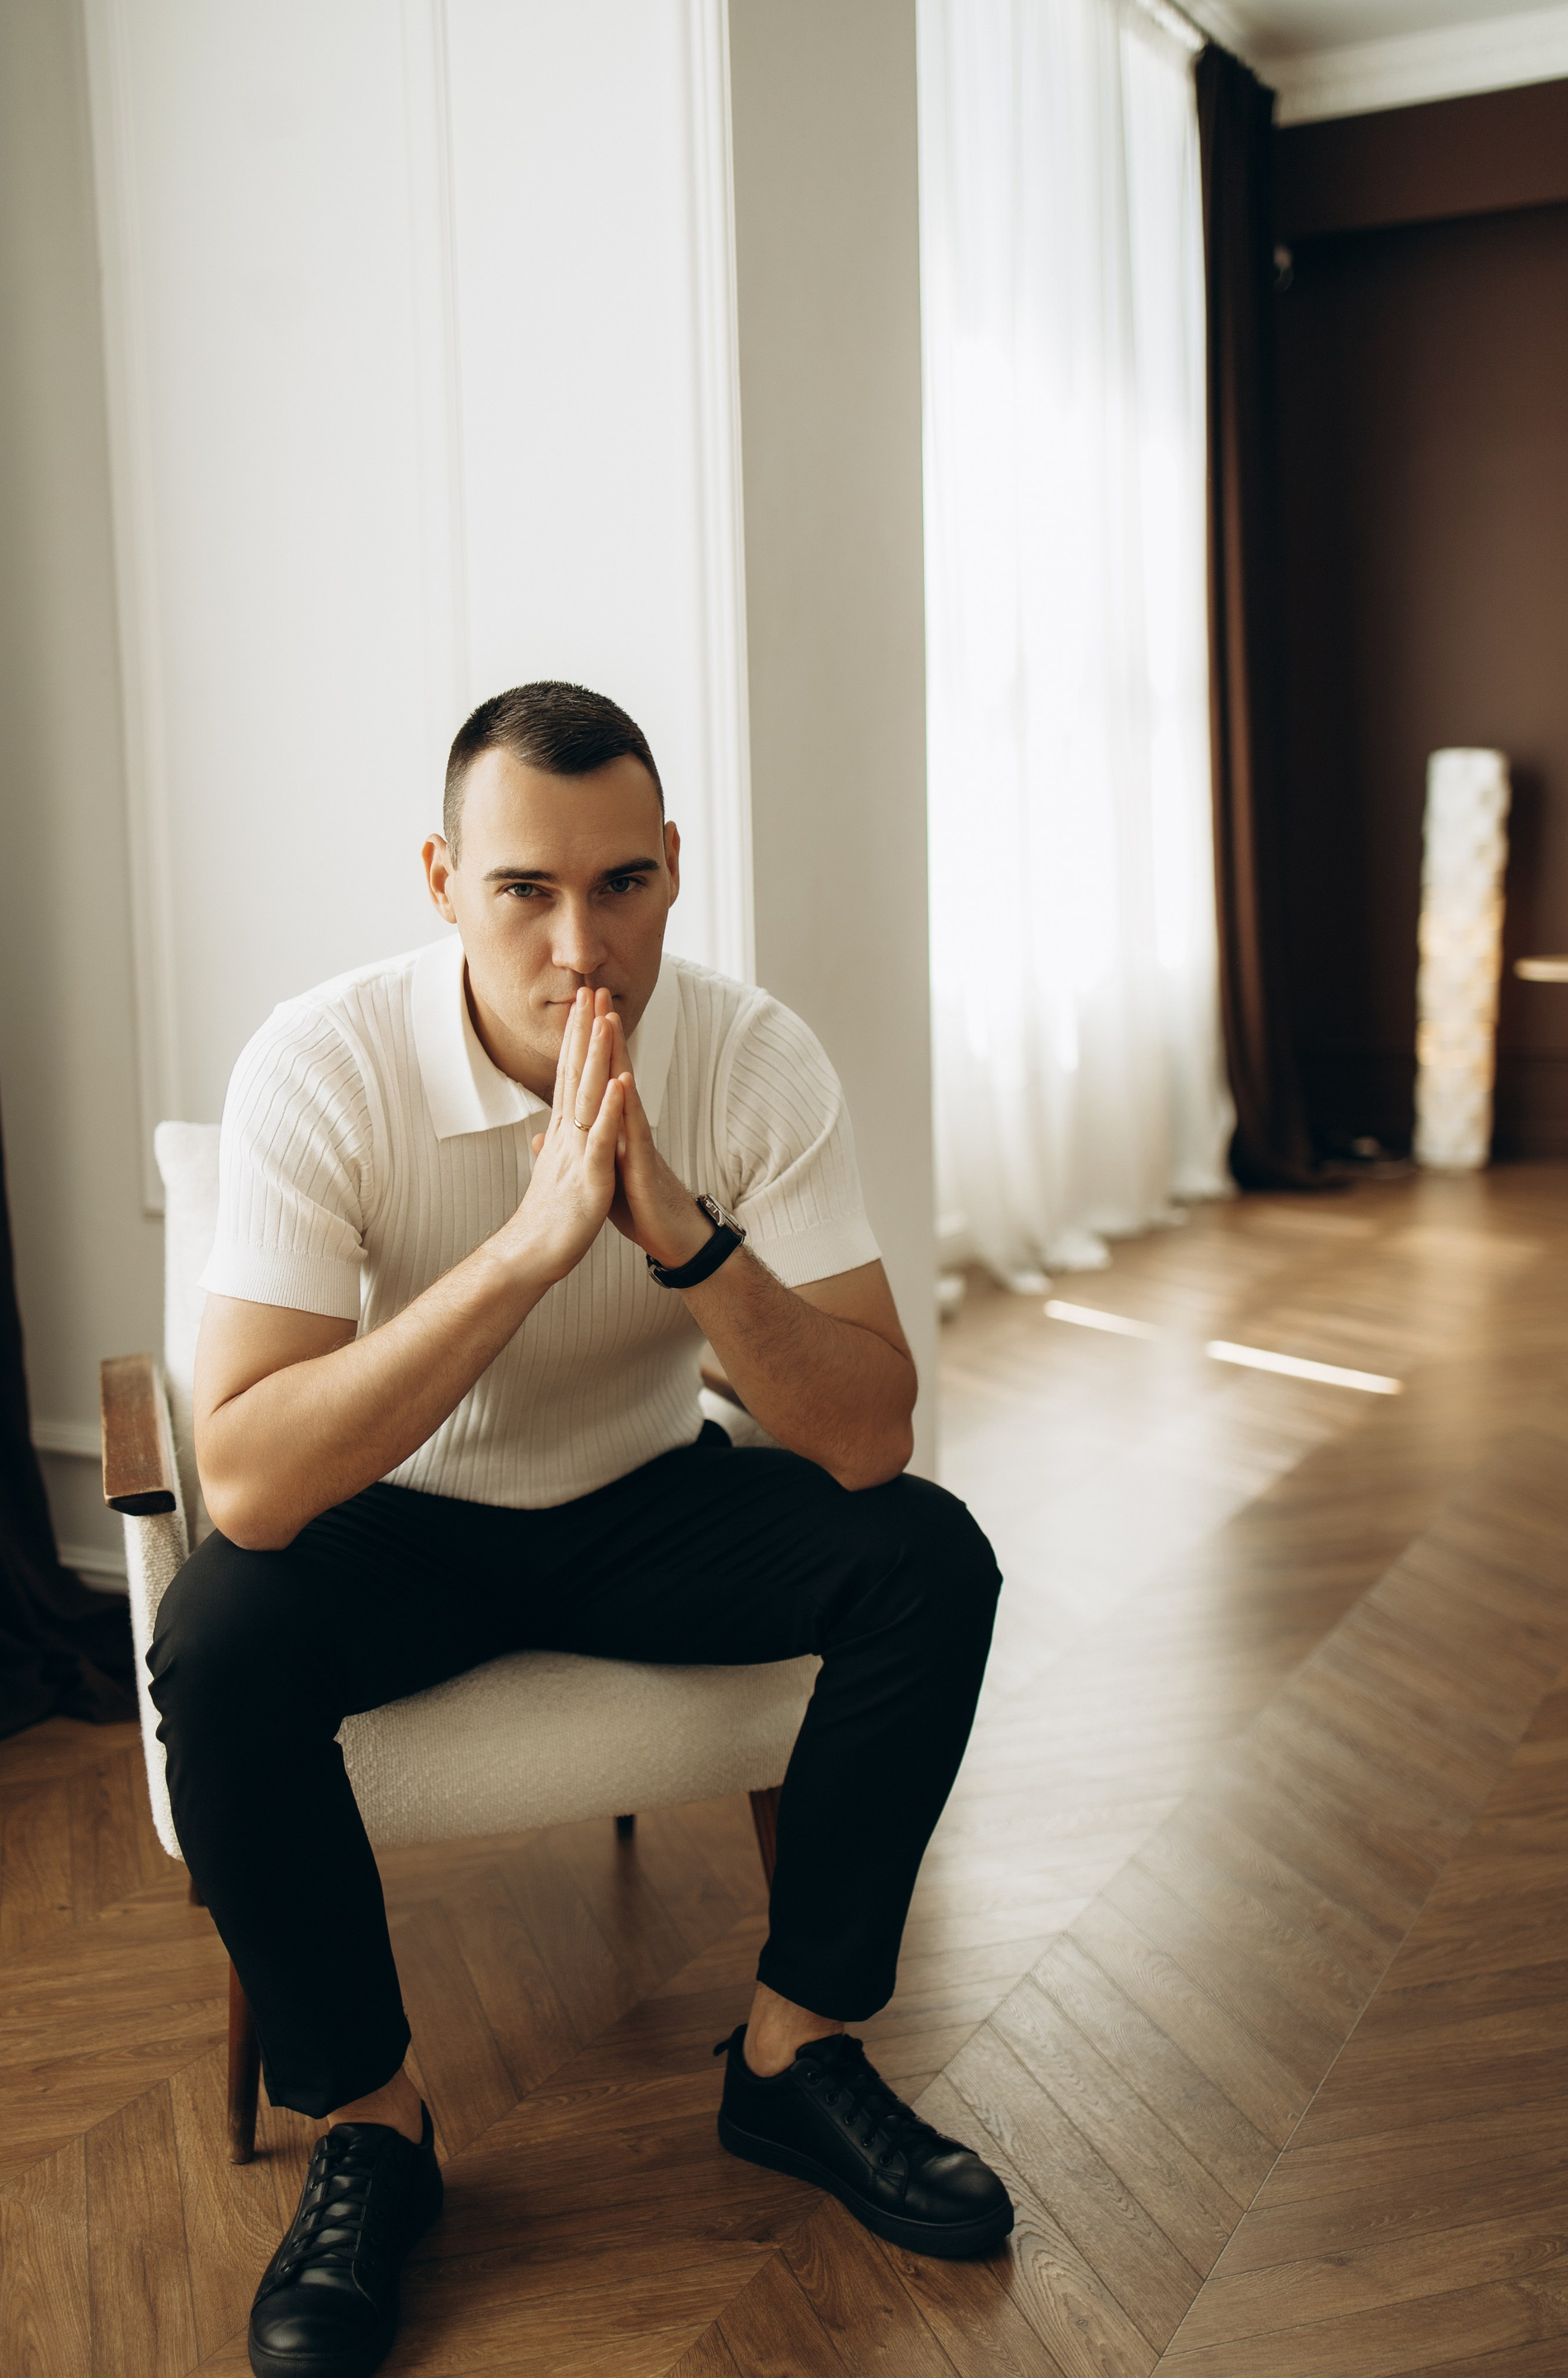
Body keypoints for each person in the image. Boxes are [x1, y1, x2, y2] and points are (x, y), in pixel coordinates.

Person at [149, 681, 1009, 2378]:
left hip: (644, 1494)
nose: (580, 944)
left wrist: (681, 1235)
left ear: (673, 865)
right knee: (220, 1633)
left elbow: (867, 1432)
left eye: (622, 883)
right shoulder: (322, 1064)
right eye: (522, 890)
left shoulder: (752, 1056)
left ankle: (795, 2055)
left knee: (928, 1556)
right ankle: (372, 2125)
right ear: (442, 881)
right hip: (396, 1521)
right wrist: (529, 1249)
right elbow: (245, 1479)